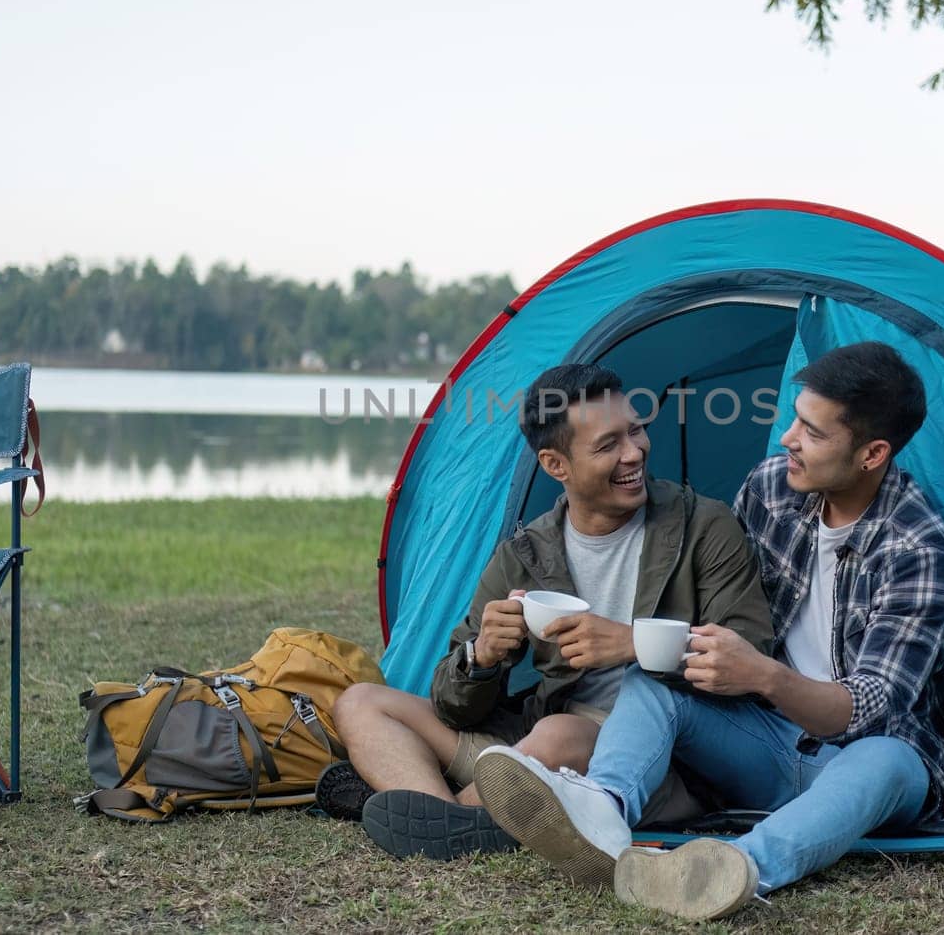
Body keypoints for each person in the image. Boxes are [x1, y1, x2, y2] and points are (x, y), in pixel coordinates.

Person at [473, 342, 944, 920]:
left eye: (811, 432)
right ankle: (601, 811)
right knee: (652, 682)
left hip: (860, 759)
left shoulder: (917, 546)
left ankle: (731, 871)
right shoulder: (770, 490)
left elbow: (864, 711)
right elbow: (731, 620)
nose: (787, 438)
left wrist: (764, 676)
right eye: (794, 420)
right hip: (764, 742)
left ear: (872, 453)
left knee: (887, 758)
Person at [325, 363, 774, 860]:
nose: (635, 452)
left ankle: (434, 811)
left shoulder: (703, 528)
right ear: (555, 465)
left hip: (655, 761)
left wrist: (632, 643)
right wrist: (482, 658)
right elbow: (454, 705)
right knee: (362, 702)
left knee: (559, 737)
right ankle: (456, 818)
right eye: (608, 445)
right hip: (534, 745)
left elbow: (751, 658)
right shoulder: (526, 554)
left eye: (637, 430)